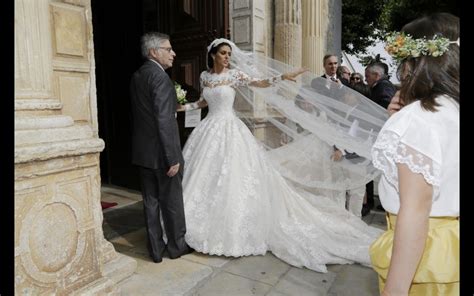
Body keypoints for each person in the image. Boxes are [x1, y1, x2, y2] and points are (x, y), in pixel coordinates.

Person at [180, 38, 383, 273]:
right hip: (208, 129)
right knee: (204, 176)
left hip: (230, 129)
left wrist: (282, 77)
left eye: (228, 53)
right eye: (223, 53)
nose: (227, 57)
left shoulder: (235, 75)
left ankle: (233, 227)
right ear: (213, 54)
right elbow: (203, 101)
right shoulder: (205, 77)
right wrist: (183, 107)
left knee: (234, 176)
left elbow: (260, 82)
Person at [369, 13, 459, 295]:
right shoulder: (450, 109)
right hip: (448, 248)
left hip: (423, 258)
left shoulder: (417, 120)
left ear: (416, 63)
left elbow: (416, 210)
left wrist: (394, 290)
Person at [130, 32, 192, 263]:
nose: (173, 53)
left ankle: (155, 250)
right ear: (154, 52)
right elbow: (164, 120)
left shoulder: (138, 76)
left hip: (143, 154)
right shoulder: (160, 78)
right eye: (168, 49)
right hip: (161, 155)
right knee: (172, 201)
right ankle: (177, 246)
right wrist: (172, 157)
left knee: (150, 202)